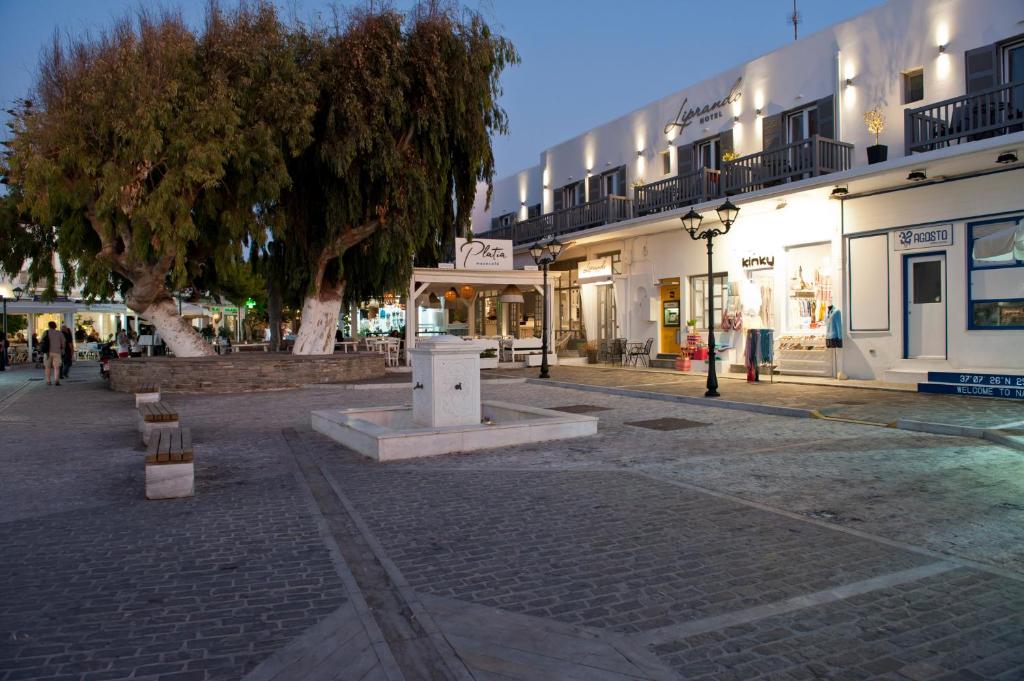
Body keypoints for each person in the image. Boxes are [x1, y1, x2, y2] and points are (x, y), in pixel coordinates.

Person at [42, 321, 65, 386]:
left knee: (47, 367)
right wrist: (63, 349)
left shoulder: (45, 332)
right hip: (57, 352)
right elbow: (63, 342)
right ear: (55, 326)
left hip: (47, 352)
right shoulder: (59, 333)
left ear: (49, 326)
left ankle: (48, 381)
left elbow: (42, 341)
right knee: (56, 367)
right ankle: (56, 380)